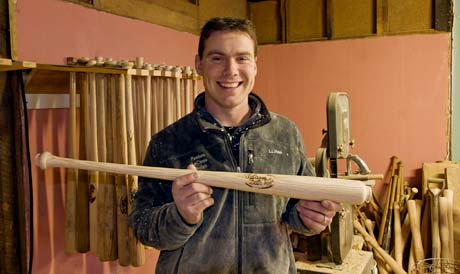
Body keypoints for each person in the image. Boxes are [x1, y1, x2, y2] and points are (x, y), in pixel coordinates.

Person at [130, 17, 342, 274]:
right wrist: (181, 215)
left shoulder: (285, 134)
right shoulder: (169, 142)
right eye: (217, 58)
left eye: (242, 58)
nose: (231, 70)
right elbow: (142, 227)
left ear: (255, 66)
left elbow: (294, 211)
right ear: (199, 64)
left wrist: (310, 218)